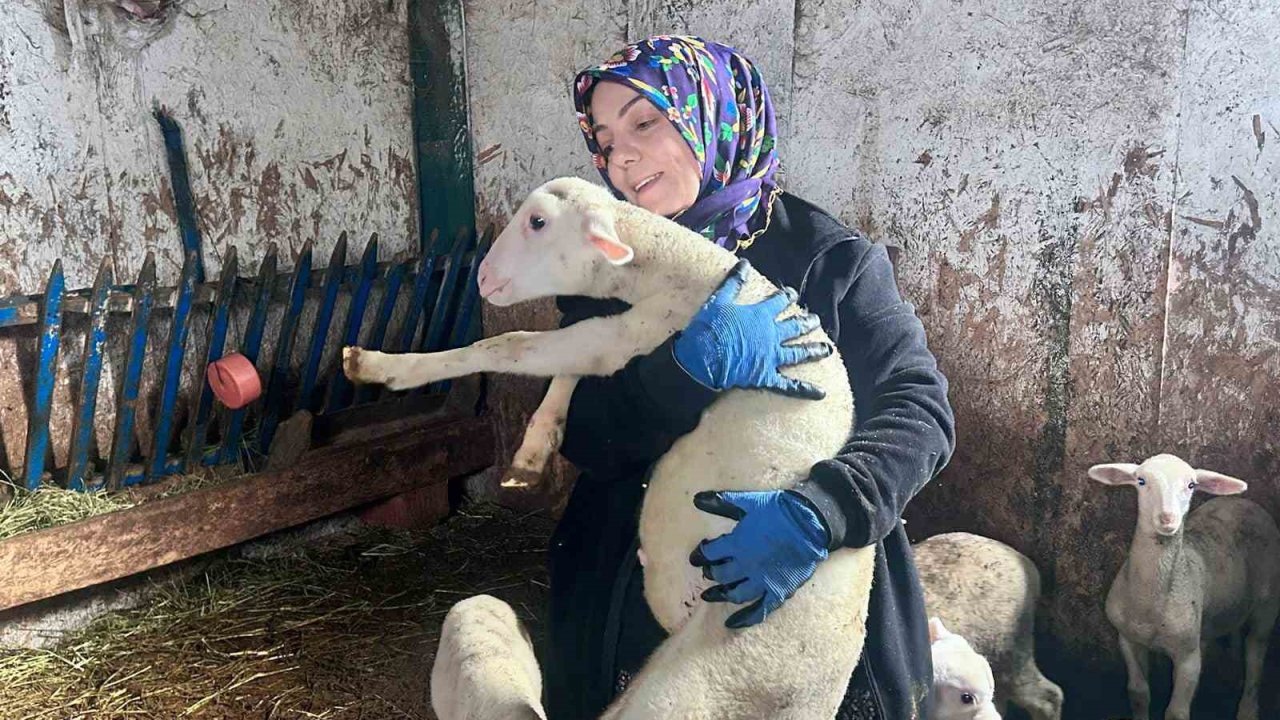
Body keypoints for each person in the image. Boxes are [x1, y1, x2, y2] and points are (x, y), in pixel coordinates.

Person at [542, 35, 956, 720]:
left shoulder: (827, 260)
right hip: (635, 590)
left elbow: (920, 408)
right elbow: (584, 435)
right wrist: (679, 375)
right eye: (606, 140)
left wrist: (823, 512)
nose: (623, 157)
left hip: (807, 586)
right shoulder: (606, 268)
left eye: (645, 123)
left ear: (716, 115)